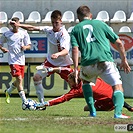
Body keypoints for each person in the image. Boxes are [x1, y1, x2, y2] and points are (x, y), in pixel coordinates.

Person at [70, 6, 131, 118]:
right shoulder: (100, 24)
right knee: (117, 86)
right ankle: (117, 113)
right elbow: (119, 43)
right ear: (91, 15)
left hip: (88, 62)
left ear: (78, 17)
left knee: (86, 83)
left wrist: (75, 68)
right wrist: (124, 60)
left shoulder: (75, 29)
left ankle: (92, 112)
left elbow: (75, 49)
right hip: (105, 61)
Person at [11, 10, 73, 106]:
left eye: (56, 22)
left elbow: (66, 51)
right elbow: (32, 28)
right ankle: (41, 104)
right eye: (52, 22)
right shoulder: (49, 30)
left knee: (75, 85)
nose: (54, 25)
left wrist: (58, 54)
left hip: (63, 63)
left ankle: (91, 99)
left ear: (61, 21)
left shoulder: (64, 34)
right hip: (50, 62)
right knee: (36, 77)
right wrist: (18, 25)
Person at [35, 68, 133, 113]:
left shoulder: (78, 90)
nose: (68, 84)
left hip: (109, 101)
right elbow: (64, 70)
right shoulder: (84, 74)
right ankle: (128, 107)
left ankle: (118, 111)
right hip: (115, 92)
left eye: (69, 82)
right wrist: (51, 69)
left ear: (75, 82)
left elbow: (62, 98)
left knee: (86, 108)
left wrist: (45, 103)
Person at [0, 17, 31, 104]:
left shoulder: (24, 33)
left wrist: (25, 47)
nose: (14, 26)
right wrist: (2, 49)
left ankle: (8, 91)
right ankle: (24, 101)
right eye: (13, 24)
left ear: (18, 24)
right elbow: (0, 43)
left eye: (16, 24)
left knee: (19, 80)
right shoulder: (6, 34)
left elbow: (29, 45)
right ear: (11, 24)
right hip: (13, 60)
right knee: (19, 79)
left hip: (21, 60)